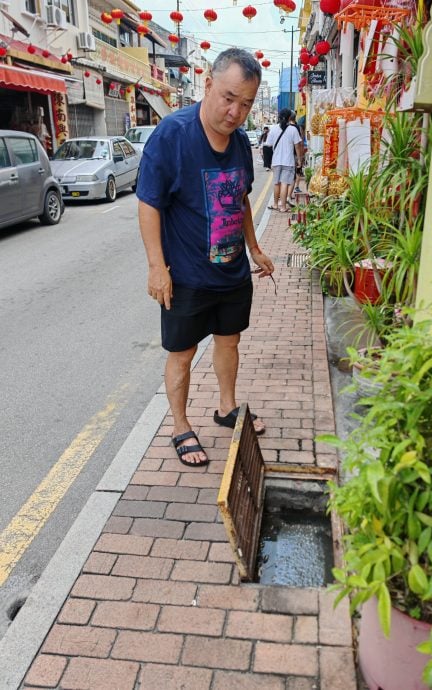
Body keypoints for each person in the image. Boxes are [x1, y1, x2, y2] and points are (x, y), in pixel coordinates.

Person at [137, 48, 274, 468]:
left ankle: (227, 407)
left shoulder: (240, 142)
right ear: (208, 85)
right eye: (229, 97)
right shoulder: (172, 135)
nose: (235, 112)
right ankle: (180, 425)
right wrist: (157, 267)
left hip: (232, 273)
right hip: (189, 277)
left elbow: (241, 197)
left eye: (246, 104)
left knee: (229, 341)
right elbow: (148, 203)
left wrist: (254, 247)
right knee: (182, 351)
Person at [265, 107, 304, 213]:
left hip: (276, 161)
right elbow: (297, 146)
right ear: (289, 118)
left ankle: (275, 204)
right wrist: (299, 160)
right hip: (288, 161)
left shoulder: (273, 129)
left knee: (276, 183)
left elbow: (268, 144)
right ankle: (283, 207)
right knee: (285, 183)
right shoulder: (293, 129)